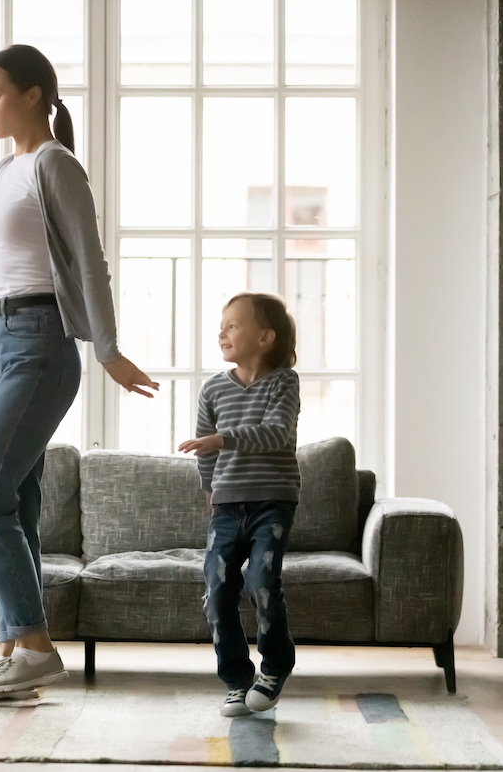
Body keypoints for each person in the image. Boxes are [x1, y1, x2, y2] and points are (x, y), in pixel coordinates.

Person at [0, 44, 158, 702]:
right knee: (18, 500)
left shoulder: (55, 165)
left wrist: (107, 347)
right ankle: (16, 647)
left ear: (35, 94)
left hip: (40, 342)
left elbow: (92, 261)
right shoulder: (0, 172)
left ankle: (35, 648)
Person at [179, 292, 301, 717]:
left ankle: (275, 665)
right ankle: (236, 679)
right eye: (222, 324)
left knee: (262, 581)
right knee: (216, 590)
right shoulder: (213, 388)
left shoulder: (285, 382)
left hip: (273, 501)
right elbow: (204, 451)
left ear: (265, 336)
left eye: (233, 325)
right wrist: (210, 492)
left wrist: (226, 439)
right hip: (227, 506)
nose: (222, 332)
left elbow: (277, 434)